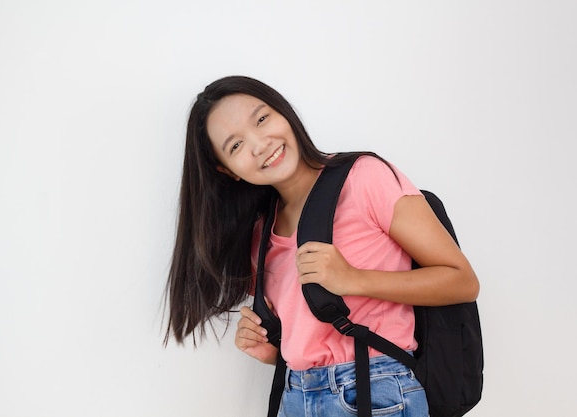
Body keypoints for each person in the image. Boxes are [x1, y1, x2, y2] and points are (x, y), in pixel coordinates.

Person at [164, 75, 479, 417]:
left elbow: (462, 280)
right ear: (227, 170)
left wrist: (353, 278)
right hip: (296, 394)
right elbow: (313, 339)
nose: (259, 144)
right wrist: (272, 350)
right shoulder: (260, 235)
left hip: (376, 393)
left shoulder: (364, 178)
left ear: (284, 112)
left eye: (261, 118)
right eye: (236, 146)